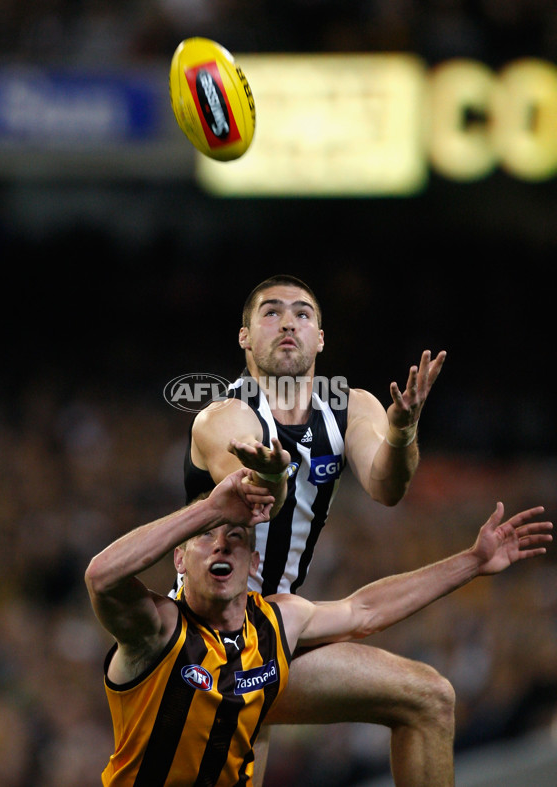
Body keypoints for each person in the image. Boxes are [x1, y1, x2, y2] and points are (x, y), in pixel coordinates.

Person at [86, 467, 552, 786]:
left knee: (431, 692)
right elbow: (102, 577)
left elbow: (364, 610)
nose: (220, 547)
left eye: (235, 538)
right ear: (179, 560)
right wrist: (210, 509)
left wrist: (472, 562)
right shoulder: (157, 630)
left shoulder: (276, 621)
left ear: (254, 563)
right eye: (204, 539)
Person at [183, 274, 450, 784]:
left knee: (429, 698)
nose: (288, 322)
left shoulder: (352, 409)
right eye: (271, 312)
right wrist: (270, 473)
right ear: (245, 337)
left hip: (282, 627)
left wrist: (402, 434)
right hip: (209, 639)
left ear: (320, 338)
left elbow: (387, 487)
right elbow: (258, 496)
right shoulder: (223, 417)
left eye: (303, 314)